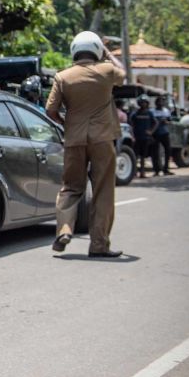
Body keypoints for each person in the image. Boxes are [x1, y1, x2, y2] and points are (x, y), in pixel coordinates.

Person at [45, 32, 125, 257]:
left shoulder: (63, 77)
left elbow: (50, 110)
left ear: (73, 51)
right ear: (97, 50)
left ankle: (64, 230)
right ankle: (99, 245)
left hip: (74, 139)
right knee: (103, 192)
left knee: (70, 188)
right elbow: (125, 74)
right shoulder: (107, 70)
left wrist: (65, 123)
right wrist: (108, 53)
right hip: (102, 139)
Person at [129, 95, 155, 178]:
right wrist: (132, 135)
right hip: (137, 137)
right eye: (142, 102)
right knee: (135, 156)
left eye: (145, 103)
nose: (143, 104)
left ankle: (142, 172)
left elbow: (155, 122)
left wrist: (151, 131)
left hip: (145, 138)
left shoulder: (149, 113)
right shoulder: (135, 114)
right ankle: (134, 172)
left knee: (143, 156)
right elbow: (131, 125)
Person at [151, 94, 174, 176]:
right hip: (155, 134)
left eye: (162, 101)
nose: (160, 103)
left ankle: (166, 169)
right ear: (156, 103)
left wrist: (166, 122)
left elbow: (170, 121)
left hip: (165, 133)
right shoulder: (152, 111)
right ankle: (156, 170)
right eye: (159, 101)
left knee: (168, 150)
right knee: (155, 152)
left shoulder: (166, 111)